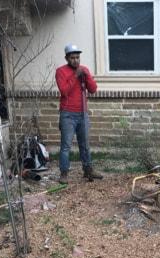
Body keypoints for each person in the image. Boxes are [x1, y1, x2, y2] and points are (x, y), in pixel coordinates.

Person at [55, 44, 102, 184]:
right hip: (67, 114)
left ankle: (88, 170)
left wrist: (86, 75)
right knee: (66, 146)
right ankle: (64, 173)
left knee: (85, 144)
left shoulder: (84, 70)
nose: (76, 60)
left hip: (83, 113)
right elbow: (64, 91)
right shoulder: (60, 71)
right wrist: (75, 76)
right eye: (72, 58)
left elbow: (93, 89)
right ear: (67, 58)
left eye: (77, 57)